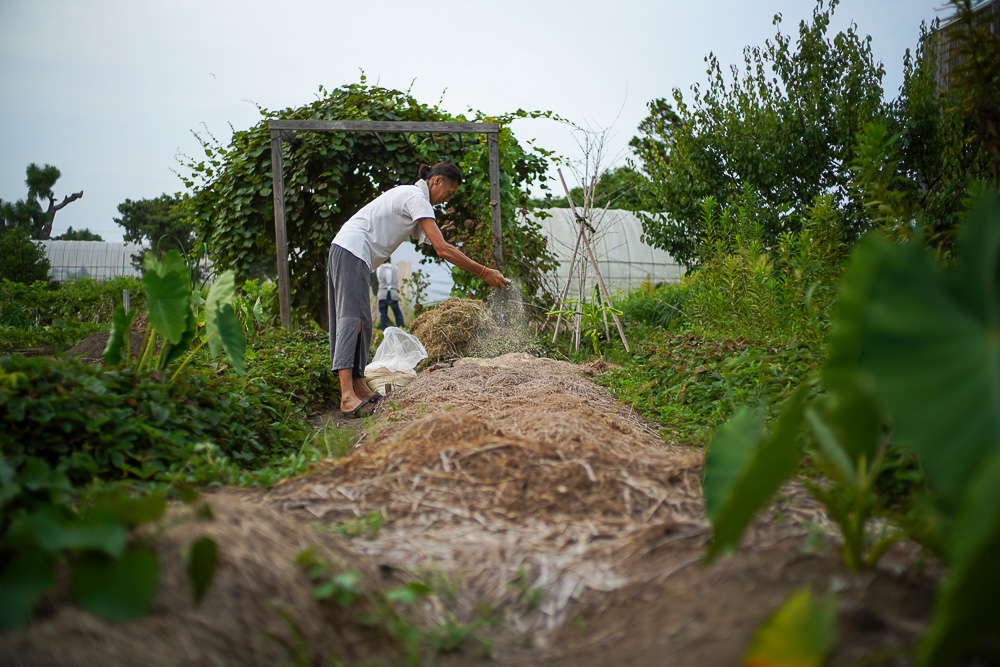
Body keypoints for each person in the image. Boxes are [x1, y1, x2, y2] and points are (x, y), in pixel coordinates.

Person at [328, 162, 510, 418]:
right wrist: (484, 272)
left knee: (365, 322)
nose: (447, 199)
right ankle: (347, 396)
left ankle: (359, 387)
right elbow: (442, 249)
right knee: (352, 320)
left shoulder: (412, 196)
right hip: (351, 250)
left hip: (355, 254)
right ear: (436, 181)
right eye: (450, 192)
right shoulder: (416, 198)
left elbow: (435, 240)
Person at [376, 259, 405, 330]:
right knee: (397, 312)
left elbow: (379, 279)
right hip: (393, 292)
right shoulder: (395, 268)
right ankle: (401, 327)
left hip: (383, 292)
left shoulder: (379, 269)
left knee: (383, 313)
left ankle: (383, 329)